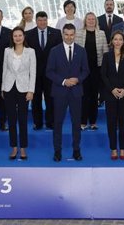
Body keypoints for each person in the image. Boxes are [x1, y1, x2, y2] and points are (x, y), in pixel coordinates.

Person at [46, 24, 89, 162]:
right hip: (60, 92)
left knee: (76, 123)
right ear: (62, 34)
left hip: (76, 92)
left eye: (71, 34)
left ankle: (76, 150)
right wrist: (64, 81)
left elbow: (86, 70)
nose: (69, 37)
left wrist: (77, 79)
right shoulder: (54, 51)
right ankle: (57, 151)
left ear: (75, 34)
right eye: (66, 34)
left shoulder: (81, 51)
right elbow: (49, 71)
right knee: (57, 123)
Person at [2, 27, 36, 160]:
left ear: (24, 36)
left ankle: (23, 148)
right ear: (12, 37)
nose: (17, 38)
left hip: (24, 89)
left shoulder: (30, 52)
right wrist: (2, 88)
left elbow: (33, 72)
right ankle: (14, 147)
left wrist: (31, 90)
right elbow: (4, 70)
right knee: (11, 119)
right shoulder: (7, 51)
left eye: (20, 35)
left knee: (22, 119)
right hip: (9, 88)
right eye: (15, 35)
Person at [25, 11, 62, 130]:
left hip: (51, 73)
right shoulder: (28, 34)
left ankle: (50, 122)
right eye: (40, 20)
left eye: (44, 20)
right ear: (36, 21)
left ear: (47, 20)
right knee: (35, 99)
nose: (42, 22)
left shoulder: (56, 33)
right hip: (34, 73)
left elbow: (59, 53)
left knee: (50, 98)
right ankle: (38, 123)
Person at [100, 30, 124, 160]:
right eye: (116, 39)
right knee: (111, 122)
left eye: (120, 39)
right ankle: (113, 149)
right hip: (111, 94)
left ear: (123, 41)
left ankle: (123, 148)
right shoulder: (106, 56)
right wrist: (112, 89)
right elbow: (104, 75)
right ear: (112, 41)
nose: (118, 42)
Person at [75, 12, 108, 130]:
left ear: (96, 21)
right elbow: (76, 52)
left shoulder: (101, 33)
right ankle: (83, 122)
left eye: (93, 19)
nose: (91, 21)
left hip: (96, 69)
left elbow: (105, 52)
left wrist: (104, 69)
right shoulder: (78, 33)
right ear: (85, 20)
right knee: (83, 96)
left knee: (94, 96)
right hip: (82, 70)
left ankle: (93, 122)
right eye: (88, 19)